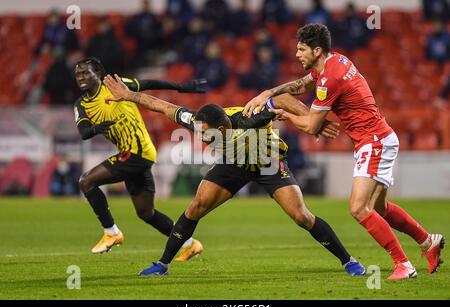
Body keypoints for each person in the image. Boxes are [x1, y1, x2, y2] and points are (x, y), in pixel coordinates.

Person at [103, 73, 366, 277]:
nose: (203, 138)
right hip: (234, 163)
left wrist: (312, 120)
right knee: (196, 207)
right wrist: (128, 95)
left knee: (301, 216)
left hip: (267, 161)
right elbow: (161, 105)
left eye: (207, 134)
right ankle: (162, 264)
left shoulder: (249, 117)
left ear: (223, 127)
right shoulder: (196, 120)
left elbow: (284, 99)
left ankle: (349, 261)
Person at [242, 24, 445, 280]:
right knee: (379, 209)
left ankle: (403, 264)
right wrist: (269, 93)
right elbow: (300, 85)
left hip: (374, 142)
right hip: (377, 138)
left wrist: (284, 115)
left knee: (359, 208)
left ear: (317, 50)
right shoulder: (336, 61)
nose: (297, 54)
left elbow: (312, 126)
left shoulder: (329, 79)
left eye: (302, 49)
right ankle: (428, 242)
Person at [73, 57, 207, 260]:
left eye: (85, 73)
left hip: (137, 151)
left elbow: (150, 84)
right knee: (146, 213)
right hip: (134, 155)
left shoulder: (116, 85)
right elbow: (83, 132)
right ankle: (190, 244)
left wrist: (180, 87)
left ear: (98, 73)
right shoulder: (81, 104)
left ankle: (111, 232)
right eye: (78, 74)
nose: (81, 77)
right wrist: (95, 129)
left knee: (86, 181)